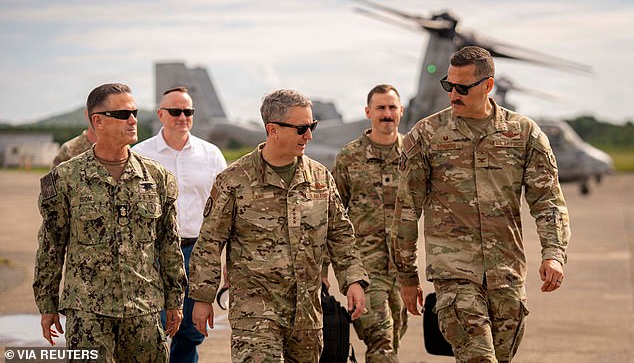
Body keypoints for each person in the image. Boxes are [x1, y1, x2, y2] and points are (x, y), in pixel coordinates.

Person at [392, 46, 571, 362]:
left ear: (488, 85)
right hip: (454, 274)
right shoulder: (427, 135)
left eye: (463, 88)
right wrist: (407, 276)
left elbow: (548, 202)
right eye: (449, 86)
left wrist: (554, 254)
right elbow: (407, 209)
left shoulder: (524, 134)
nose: (453, 95)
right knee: (478, 357)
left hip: (507, 274)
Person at [189, 89, 370, 362]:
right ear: (272, 130)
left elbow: (340, 234)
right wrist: (202, 297)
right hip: (256, 311)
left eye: (312, 126)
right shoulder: (234, 180)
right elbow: (210, 242)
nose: (309, 135)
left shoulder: (320, 177)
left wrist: (353, 280)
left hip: (307, 312)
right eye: (301, 128)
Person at [33, 83, 187, 362]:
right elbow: (51, 247)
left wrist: (175, 301)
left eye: (135, 113)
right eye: (123, 114)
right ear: (98, 121)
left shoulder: (156, 177)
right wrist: (47, 305)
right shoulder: (66, 178)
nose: (132, 120)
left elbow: (168, 243)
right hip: (88, 312)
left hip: (144, 309)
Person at [132, 86, 227, 363]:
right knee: (153, 326)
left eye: (188, 111)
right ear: (161, 114)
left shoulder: (211, 155)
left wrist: (224, 258)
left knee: (190, 329)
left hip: (197, 251)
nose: (182, 116)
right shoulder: (140, 154)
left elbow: (224, 210)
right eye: (175, 111)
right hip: (154, 253)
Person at [328, 84, 408, 362]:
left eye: (392, 107)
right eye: (380, 108)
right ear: (368, 112)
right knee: (381, 343)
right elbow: (333, 217)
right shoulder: (350, 157)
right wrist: (323, 270)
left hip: (402, 270)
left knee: (393, 340)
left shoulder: (414, 155)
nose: (387, 114)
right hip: (363, 270)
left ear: (401, 111)